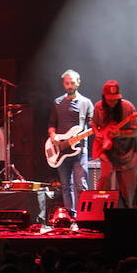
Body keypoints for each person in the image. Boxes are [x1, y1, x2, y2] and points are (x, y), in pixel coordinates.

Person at [48, 69, 94, 217]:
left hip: (80, 148)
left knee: (81, 185)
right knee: (66, 186)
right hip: (61, 150)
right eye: (67, 83)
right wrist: (53, 135)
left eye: (72, 82)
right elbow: (51, 124)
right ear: (63, 84)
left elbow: (93, 125)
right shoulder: (57, 102)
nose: (70, 86)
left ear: (78, 82)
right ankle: (71, 216)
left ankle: (85, 216)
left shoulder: (86, 103)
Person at [90, 79, 137, 207]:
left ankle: (127, 216)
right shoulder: (98, 107)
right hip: (106, 151)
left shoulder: (128, 108)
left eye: (115, 99)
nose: (113, 102)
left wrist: (121, 133)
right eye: (109, 99)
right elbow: (93, 123)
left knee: (127, 190)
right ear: (104, 97)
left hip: (126, 154)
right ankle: (98, 211)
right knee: (104, 178)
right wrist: (97, 133)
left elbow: (135, 132)